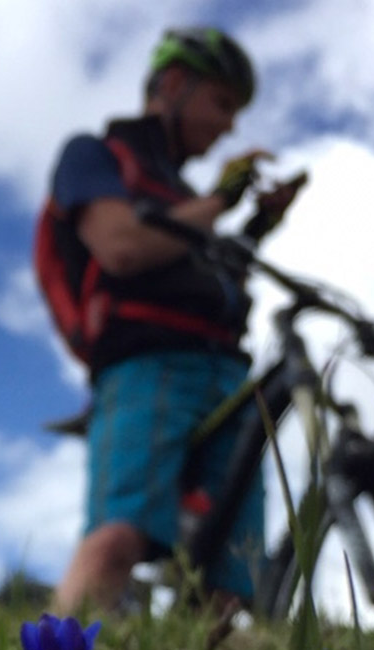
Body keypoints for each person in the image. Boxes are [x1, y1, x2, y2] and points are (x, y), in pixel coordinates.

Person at [43, 26, 306, 616]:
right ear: (175, 84)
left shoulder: (183, 197)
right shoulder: (96, 156)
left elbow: (203, 267)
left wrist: (257, 225)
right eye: (221, 103)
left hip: (226, 375)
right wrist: (221, 199)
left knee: (234, 572)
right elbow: (122, 247)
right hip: (145, 364)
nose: (228, 126)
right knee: (116, 539)